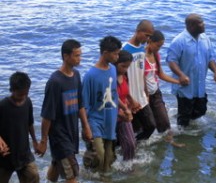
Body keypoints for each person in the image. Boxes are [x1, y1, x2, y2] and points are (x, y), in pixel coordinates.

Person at [37, 39, 92, 183]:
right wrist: (43, 141)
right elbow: (47, 115)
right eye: (76, 55)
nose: (80, 59)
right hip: (59, 136)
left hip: (71, 132)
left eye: (80, 55)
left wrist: (86, 127)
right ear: (66, 56)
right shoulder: (55, 82)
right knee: (72, 173)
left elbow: (80, 104)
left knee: (57, 164)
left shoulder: (76, 76)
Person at [166, 13, 216, 127]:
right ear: (191, 25)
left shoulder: (205, 39)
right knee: (184, 117)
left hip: (199, 85)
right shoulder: (179, 41)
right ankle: (183, 137)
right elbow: (171, 61)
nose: (204, 24)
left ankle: (184, 124)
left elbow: (210, 58)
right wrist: (181, 75)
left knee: (201, 110)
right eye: (200, 22)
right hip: (185, 87)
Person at [82, 36, 121, 176]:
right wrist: (86, 127)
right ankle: (86, 170)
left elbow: (115, 94)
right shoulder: (90, 76)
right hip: (95, 121)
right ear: (105, 53)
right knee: (99, 154)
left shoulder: (113, 70)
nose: (117, 57)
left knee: (109, 158)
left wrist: (123, 110)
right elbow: (84, 105)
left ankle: (103, 179)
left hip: (110, 120)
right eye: (115, 53)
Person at [145, 30, 185, 147]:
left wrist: (178, 81)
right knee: (148, 124)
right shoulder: (141, 56)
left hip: (155, 92)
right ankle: (141, 145)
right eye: (157, 46)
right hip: (144, 94)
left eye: (161, 46)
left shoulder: (156, 55)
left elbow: (161, 74)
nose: (159, 49)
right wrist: (145, 95)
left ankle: (170, 141)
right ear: (150, 41)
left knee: (164, 121)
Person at [0, 71, 39, 183]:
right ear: (12, 90)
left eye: (26, 93)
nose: (23, 97)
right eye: (20, 94)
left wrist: (35, 142)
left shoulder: (28, 102)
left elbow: (30, 123)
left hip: (24, 154)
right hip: (5, 156)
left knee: (33, 176)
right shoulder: (3, 105)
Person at [122, 20, 156, 140]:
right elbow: (121, 77)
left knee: (151, 126)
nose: (147, 39)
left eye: (150, 37)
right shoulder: (125, 50)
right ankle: (128, 151)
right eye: (146, 35)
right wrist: (127, 98)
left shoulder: (142, 49)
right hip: (129, 98)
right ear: (138, 31)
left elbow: (141, 72)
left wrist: (146, 92)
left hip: (141, 96)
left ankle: (137, 146)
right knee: (131, 130)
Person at [114, 50, 141, 161]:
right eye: (122, 66)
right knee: (112, 146)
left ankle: (128, 166)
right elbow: (112, 97)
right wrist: (122, 111)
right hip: (114, 114)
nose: (125, 69)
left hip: (125, 114)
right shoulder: (110, 78)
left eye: (127, 67)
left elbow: (125, 91)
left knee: (130, 143)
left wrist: (132, 100)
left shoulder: (123, 76)